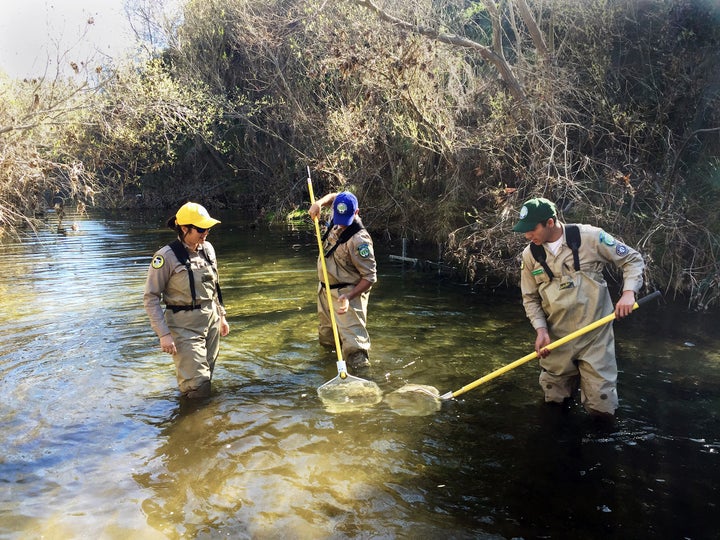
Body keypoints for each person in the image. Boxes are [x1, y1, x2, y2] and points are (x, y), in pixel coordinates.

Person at [513, 197, 645, 418]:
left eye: (531, 229)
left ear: (550, 223)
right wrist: (541, 331)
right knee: (553, 405)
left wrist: (628, 293)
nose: (527, 236)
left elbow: (632, 259)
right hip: (556, 340)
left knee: (602, 409)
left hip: (595, 338)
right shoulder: (530, 255)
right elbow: (530, 298)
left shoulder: (591, 237)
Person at [144, 202, 230, 398]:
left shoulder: (208, 249)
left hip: (211, 321)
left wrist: (221, 316)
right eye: (200, 229)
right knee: (196, 385)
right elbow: (150, 298)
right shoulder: (165, 257)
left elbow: (215, 286)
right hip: (184, 326)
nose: (206, 232)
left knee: (207, 378)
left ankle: (206, 423)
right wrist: (163, 334)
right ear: (184, 228)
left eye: (207, 227)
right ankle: (193, 423)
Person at [309, 191, 377, 370]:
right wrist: (319, 203)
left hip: (347, 295)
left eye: (345, 219)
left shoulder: (360, 240)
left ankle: (364, 385)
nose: (340, 224)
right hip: (325, 292)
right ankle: (330, 371)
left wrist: (349, 296)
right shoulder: (337, 213)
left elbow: (370, 277)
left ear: (356, 213)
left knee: (355, 350)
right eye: (338, 217)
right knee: (328, 341)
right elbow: (336, 197)